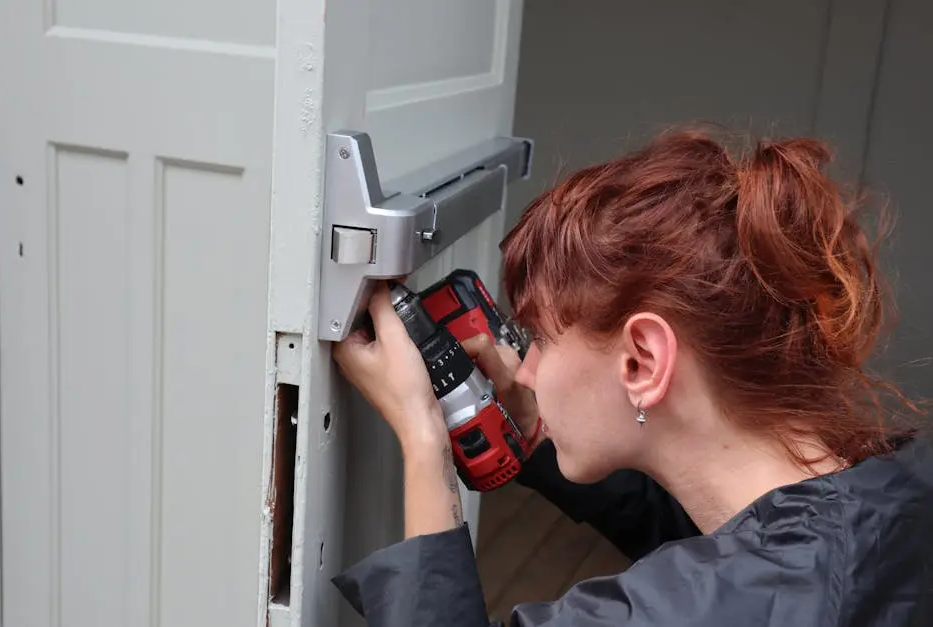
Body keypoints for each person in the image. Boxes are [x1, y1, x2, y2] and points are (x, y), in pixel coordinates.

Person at [329, 128, 933, 626]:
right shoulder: (898, 492)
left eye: (539, 338)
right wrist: (536, 432)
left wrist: (422, 436)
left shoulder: (692, 611)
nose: (527, 369)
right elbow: (734, 548)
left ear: (643, 360)